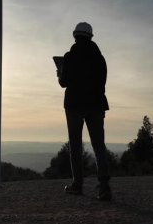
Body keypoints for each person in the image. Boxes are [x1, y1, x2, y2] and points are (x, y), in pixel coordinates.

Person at [57, 21, 111, 201]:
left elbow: (64, 82)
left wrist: (60, 71)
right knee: (98, 145)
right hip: (96, 105)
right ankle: (104, 187)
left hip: (74, 105)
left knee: (75, 145)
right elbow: (103, 82)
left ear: (75, 36)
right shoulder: (100, 58)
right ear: (91, 37)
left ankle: (77, 185)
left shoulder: (70, 57)